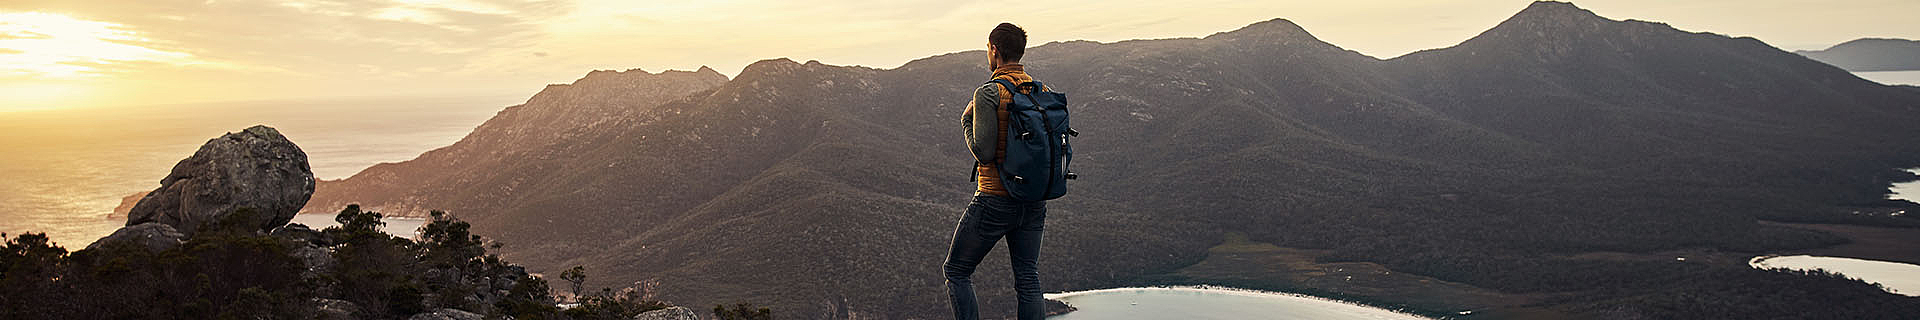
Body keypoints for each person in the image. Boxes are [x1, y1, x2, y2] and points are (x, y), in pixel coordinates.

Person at [943, 22, 1049, 320]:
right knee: (1028, 279)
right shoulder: (1040, 91)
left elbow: (984, 152)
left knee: (956, 271)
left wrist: (966, 120)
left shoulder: (988, 93)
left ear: (994, 50)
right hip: (1033, 201)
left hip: (994, 199)